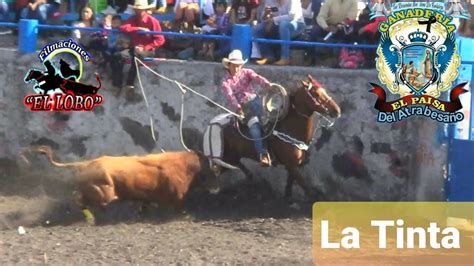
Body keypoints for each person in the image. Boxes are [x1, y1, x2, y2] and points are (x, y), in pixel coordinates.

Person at [221, 50, 272, 166]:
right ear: (229, 65)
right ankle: (263, 154)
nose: (236, 69)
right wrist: (238, 108)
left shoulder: (247, 72)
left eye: (238, 66)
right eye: (234, 66)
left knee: (273, 118)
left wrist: (267, 84)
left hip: (257, 101)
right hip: (244, 108)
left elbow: (257, 78)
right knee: (254, 128)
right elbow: (230, 96)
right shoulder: (225, 82)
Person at [120, 0, 165, 92]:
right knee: (118, 56)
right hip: (134, 48)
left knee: (136, 57)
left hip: (148, 50)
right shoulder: (133, 19)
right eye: (137, 10)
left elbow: (160, 39)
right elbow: (123, 27)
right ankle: (117, 81)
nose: (138, 11)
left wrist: (145, 47)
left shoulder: (153, 21)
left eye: (140, 10)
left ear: (145, 10)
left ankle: (130, 83)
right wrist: (138, 29)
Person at [254, 0, 305, 66]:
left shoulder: (293, 1)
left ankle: (285, 58)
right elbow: (263, 19)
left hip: (297, 24)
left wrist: (273, 20)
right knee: (258, 28)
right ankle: (268, 56)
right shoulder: (269, 1)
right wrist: (266, 15)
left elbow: (291, 17)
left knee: (283, 25)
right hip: (277, 24)